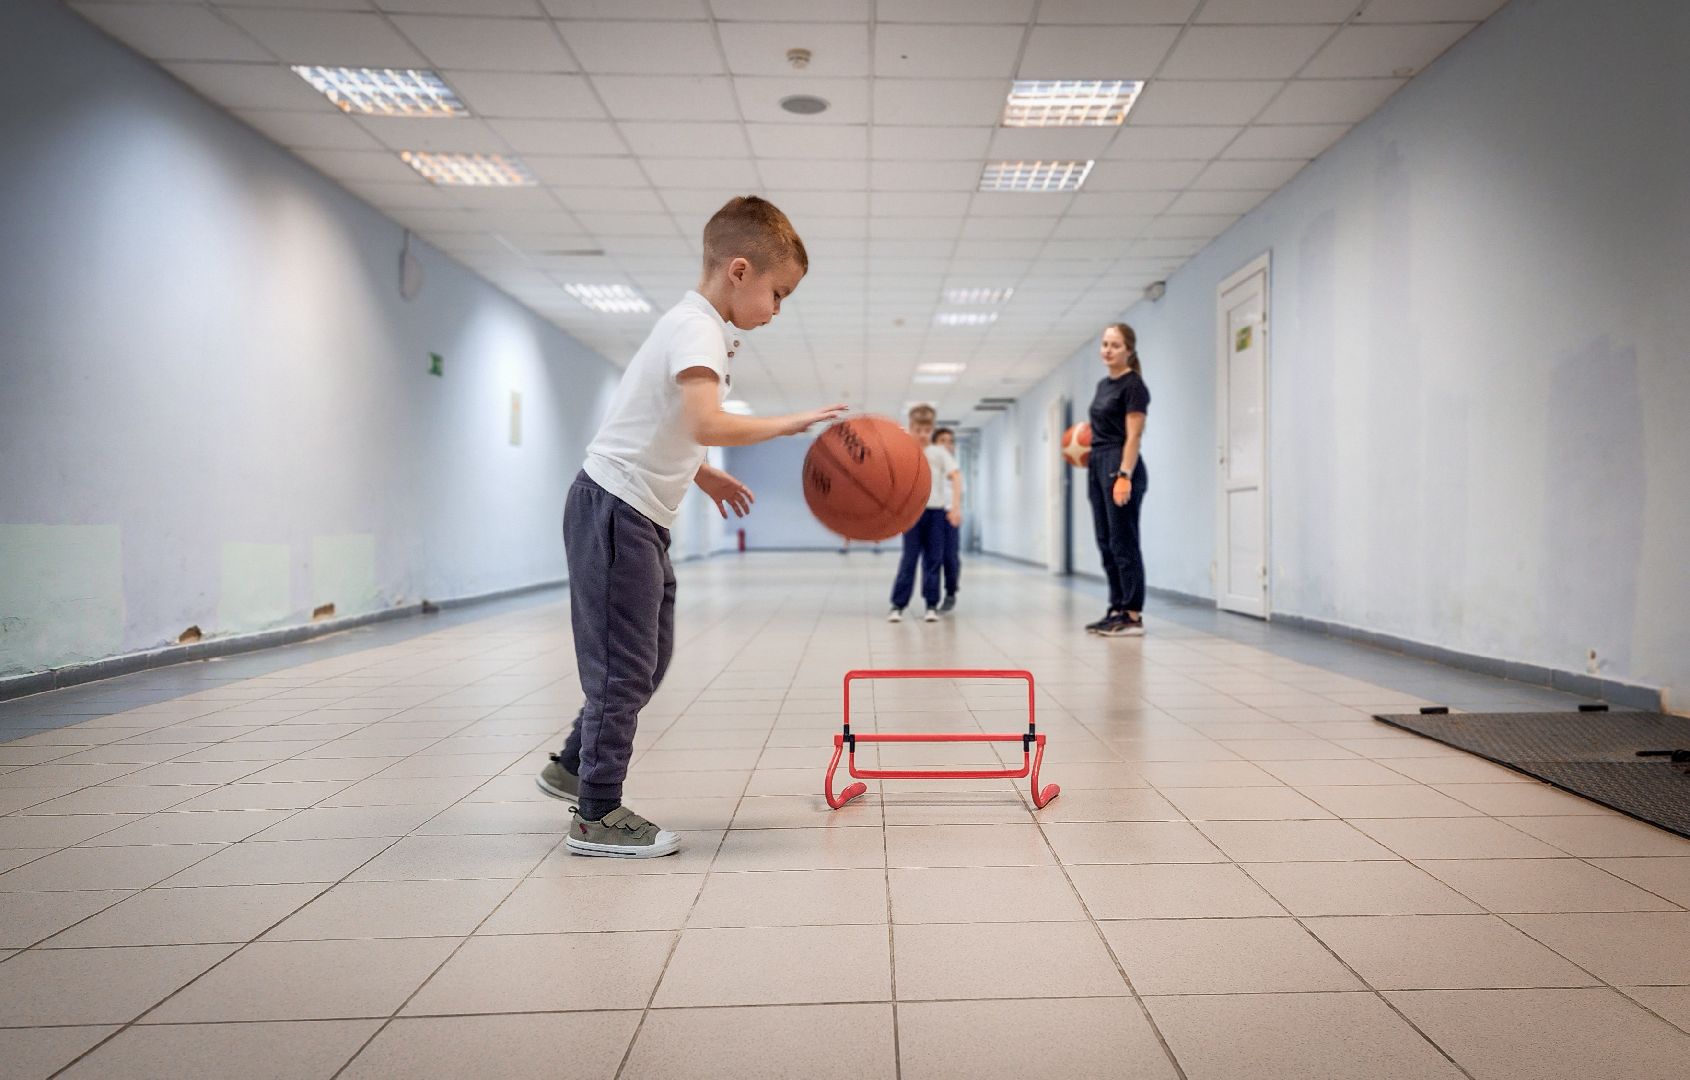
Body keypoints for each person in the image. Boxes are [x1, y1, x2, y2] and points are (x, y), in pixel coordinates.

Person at [536, 196, 846, 857]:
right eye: (778, 293)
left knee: (647, 659)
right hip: (617, 509)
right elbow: (705, 420)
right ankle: (595, 813)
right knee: (623, 668)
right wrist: (787, 424)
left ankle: (573, 763)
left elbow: (660, 420)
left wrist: (702, 473)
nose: (777, 309)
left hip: (636, 511)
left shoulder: (699, 327)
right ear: (739, 270)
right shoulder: (696, 328)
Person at [1085, 323, 1150, 637]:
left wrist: (1124, 475)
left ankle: (1132, 613)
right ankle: (1116, 607)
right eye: (1105, 344)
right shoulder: (1103, 385)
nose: (1108, 350)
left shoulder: (1133, 385)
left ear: (1129, 350)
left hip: (1119, 462)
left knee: (1123, 541)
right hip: (1097, 461)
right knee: (1105, 541)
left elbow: (1134, 436)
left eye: (1115, 345)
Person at [888, 404, 961, 623]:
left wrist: (955, 507)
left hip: (935, 514)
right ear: (910, 428)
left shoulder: (939, 453)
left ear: (932, 429)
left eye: (927, 431)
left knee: (933, 560)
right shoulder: (903, 452)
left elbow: (956, 477)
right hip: (912, 514)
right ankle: (897, 605)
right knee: (909, 560)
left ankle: (931, 605)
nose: (922, 435)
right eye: (918, 430)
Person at [932, 426, 962, 611]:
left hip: (950, 516)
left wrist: (957, 510)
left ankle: (951, 592)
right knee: (933, 559)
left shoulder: (955, 468)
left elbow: (959, 492)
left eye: (950, 441)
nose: (947, 445)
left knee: (950, 557)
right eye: (942, 441)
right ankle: (932, 599)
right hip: (932, 516)